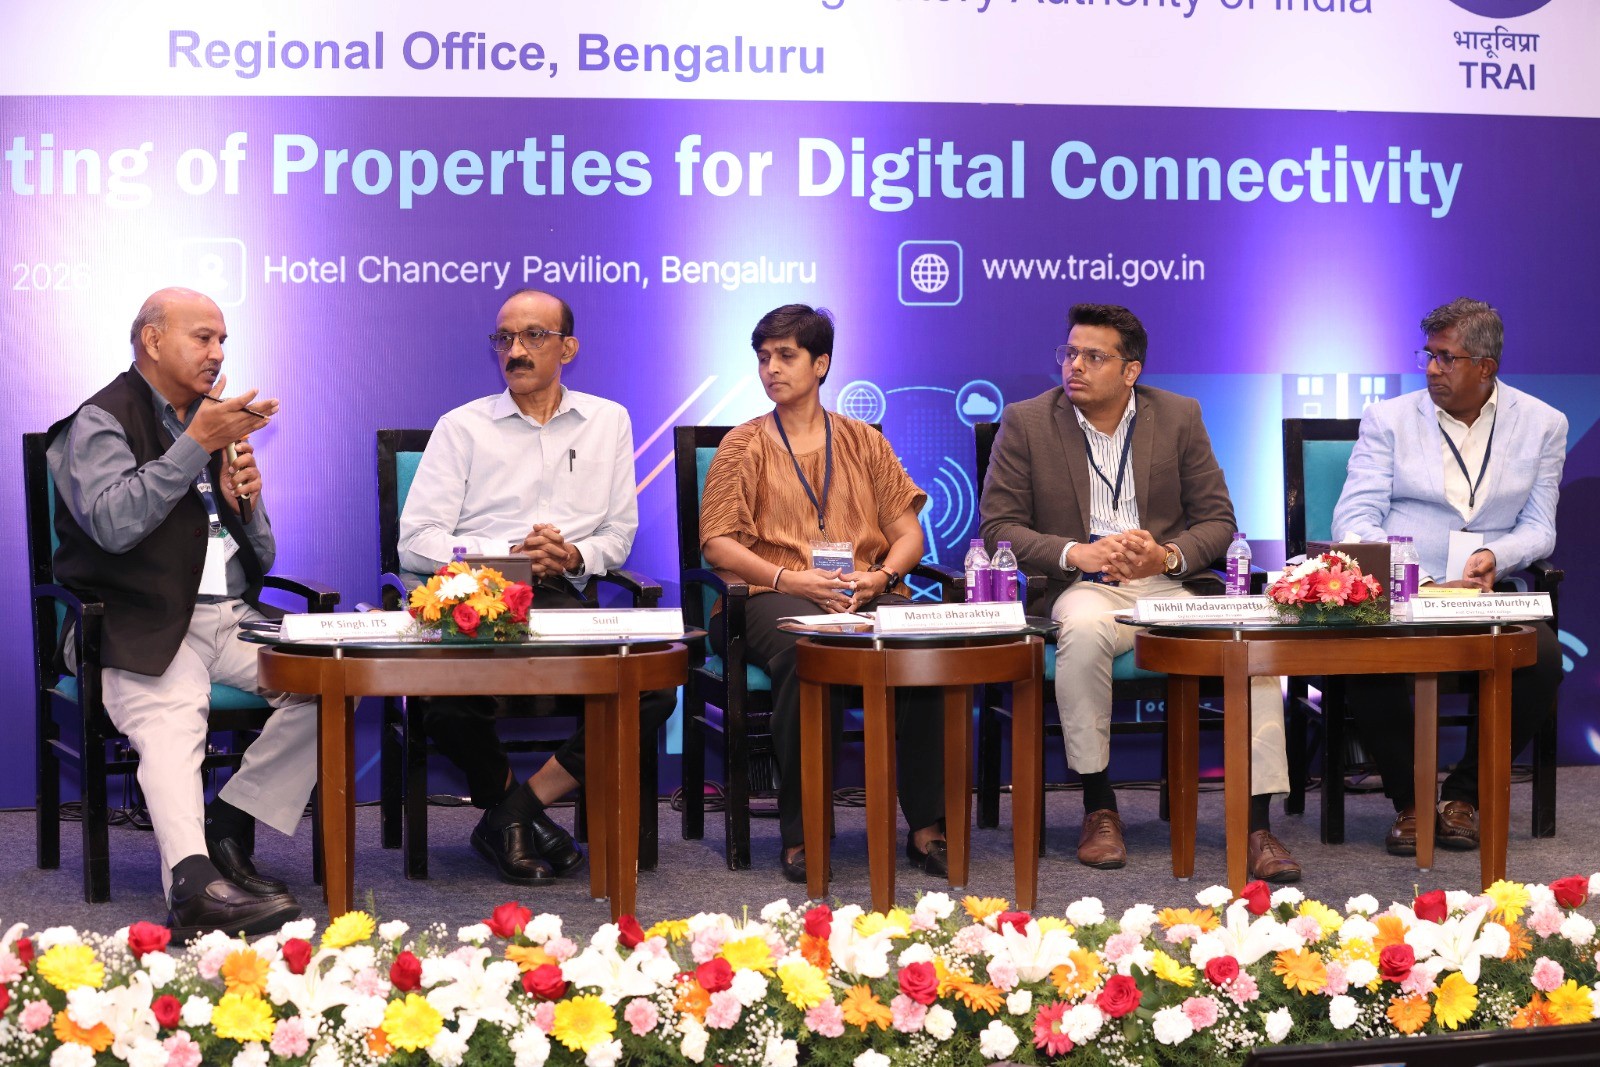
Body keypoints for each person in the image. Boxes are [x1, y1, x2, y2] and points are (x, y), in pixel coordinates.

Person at [980, 303, 1300, 882]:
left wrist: (1167, 555)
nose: (1075, 366)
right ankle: (1099, 806)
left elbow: (1218, 520)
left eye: (1093, 357)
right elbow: (999, 526)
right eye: (1069, 353)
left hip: (1171, 586)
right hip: (1087, 585)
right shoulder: (1026, 421)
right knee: (1079, 627)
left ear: (1131, 371)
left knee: (1253, 646)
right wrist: (1078, 553)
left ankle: (1257, 825)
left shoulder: (1178, 416)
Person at [46, 287, 312, 937]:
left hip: (229, 616)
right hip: (132, 617)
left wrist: (243, 503)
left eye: (223, 340)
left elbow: (264, 554)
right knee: (172, 709)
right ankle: (194, 883)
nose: (218, 353)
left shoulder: (214, 421)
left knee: (332, 679)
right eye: (203, 337)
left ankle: (226, 823)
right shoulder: (99, 421)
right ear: (153, 340)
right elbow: (112, 524)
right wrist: (194, 446)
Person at [398, 288, 677, 886]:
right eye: (504, 339)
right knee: (438, 699)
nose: (515, 350)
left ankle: (515, 814)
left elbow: (618, 536)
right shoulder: (462, 426)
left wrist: (572, 554)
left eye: (532, 337)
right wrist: (502, 557)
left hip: (558, 594)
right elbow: (414, 539)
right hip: (474, 593)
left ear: (567, 348)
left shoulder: (609, 421)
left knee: (652, 686)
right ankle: (518, 820)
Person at [699, 304, 948, 884]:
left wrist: (881, 577)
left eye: (786, 356)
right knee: (808, 652)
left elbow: (909, 534)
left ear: (821, 364)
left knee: (920, 643)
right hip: (764, 594)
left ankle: (927, 827)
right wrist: (793, 579)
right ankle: (804, 831)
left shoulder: (864, 442)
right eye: (763, 358)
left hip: (861, 588)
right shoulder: (743, 445)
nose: (771, 369)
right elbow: (717, 545)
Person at [1332, 297, 1565, 855]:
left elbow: (1540, 528)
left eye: (1446, 358)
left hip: (1481, 591)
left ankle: (1462, 798)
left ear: (1485, 366)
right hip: (1403, 591)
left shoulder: (1543, 424)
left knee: (1543, 659)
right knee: (1365, 656)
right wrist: (1413, 575)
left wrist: (1495, 555)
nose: (1432, 369)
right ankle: (1411, 803)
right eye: (1428, 356)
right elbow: (1354, 518)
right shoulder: (1388, 419)